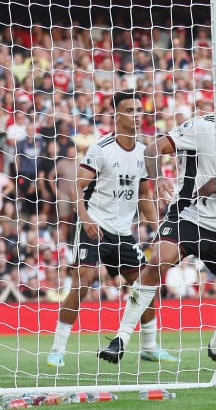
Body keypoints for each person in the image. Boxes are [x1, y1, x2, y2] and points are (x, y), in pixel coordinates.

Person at [98, 75, 216, 365]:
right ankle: (120, 339)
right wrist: (158, 177)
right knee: (156, 262)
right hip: (187, 214)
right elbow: (152, 150)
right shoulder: (201, 126)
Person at [47, 91, 175, 367]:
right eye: (130, 110)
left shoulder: (144, 151)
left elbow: (143, 195)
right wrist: (86, 219)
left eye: (139, 110)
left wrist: (157, 228)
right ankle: (57, 349)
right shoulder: (101, 148)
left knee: (145, 283)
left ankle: (150, 347)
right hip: (95, 227)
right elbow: (76, 188)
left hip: (123, 233)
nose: (136, 115)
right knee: (82, 282)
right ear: (117, 115)